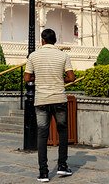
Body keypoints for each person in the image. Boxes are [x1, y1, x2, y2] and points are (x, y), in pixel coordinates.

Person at [24, 28, 76, 182]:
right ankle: (62, 166)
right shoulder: (63, 55)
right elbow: (71, 77)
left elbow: (27, 78)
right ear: (55, 40)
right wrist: (60, 80)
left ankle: (44, 173)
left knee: (42, 134)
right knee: (63, 131)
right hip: (59, 99)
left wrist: (39, 77)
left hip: (41, 100)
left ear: (42, 40)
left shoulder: (34, 56)